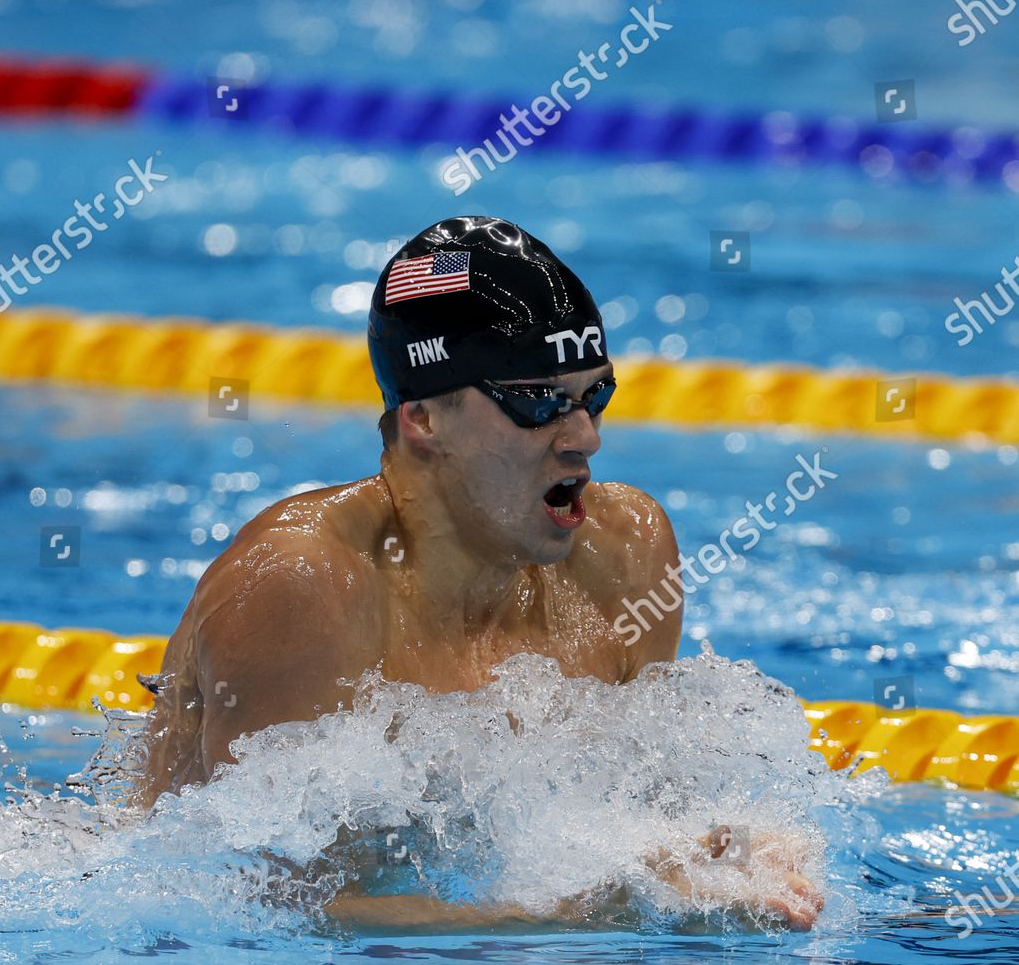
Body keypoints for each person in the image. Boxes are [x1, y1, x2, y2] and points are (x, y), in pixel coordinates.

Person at [130, 216, 823, 931]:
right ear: (425, 417)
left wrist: (718, 850)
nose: (585, 438)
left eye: (594, 397)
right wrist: (593, 915)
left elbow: (627, 819)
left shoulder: (624, 557)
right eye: (539, 402)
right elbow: (259, 910)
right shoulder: (304, 588)